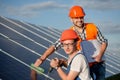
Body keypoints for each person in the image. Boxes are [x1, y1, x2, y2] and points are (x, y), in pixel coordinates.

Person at [31, 5, 108, 80]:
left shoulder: (92, 27)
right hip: (84, 65)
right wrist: (42, 58)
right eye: (76, 18)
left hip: (98, 64)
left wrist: (100, 55)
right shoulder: (70, 33)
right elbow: (55, 46)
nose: (79, 20)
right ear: (71, 19)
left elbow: (104, 42)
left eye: (81, 17)